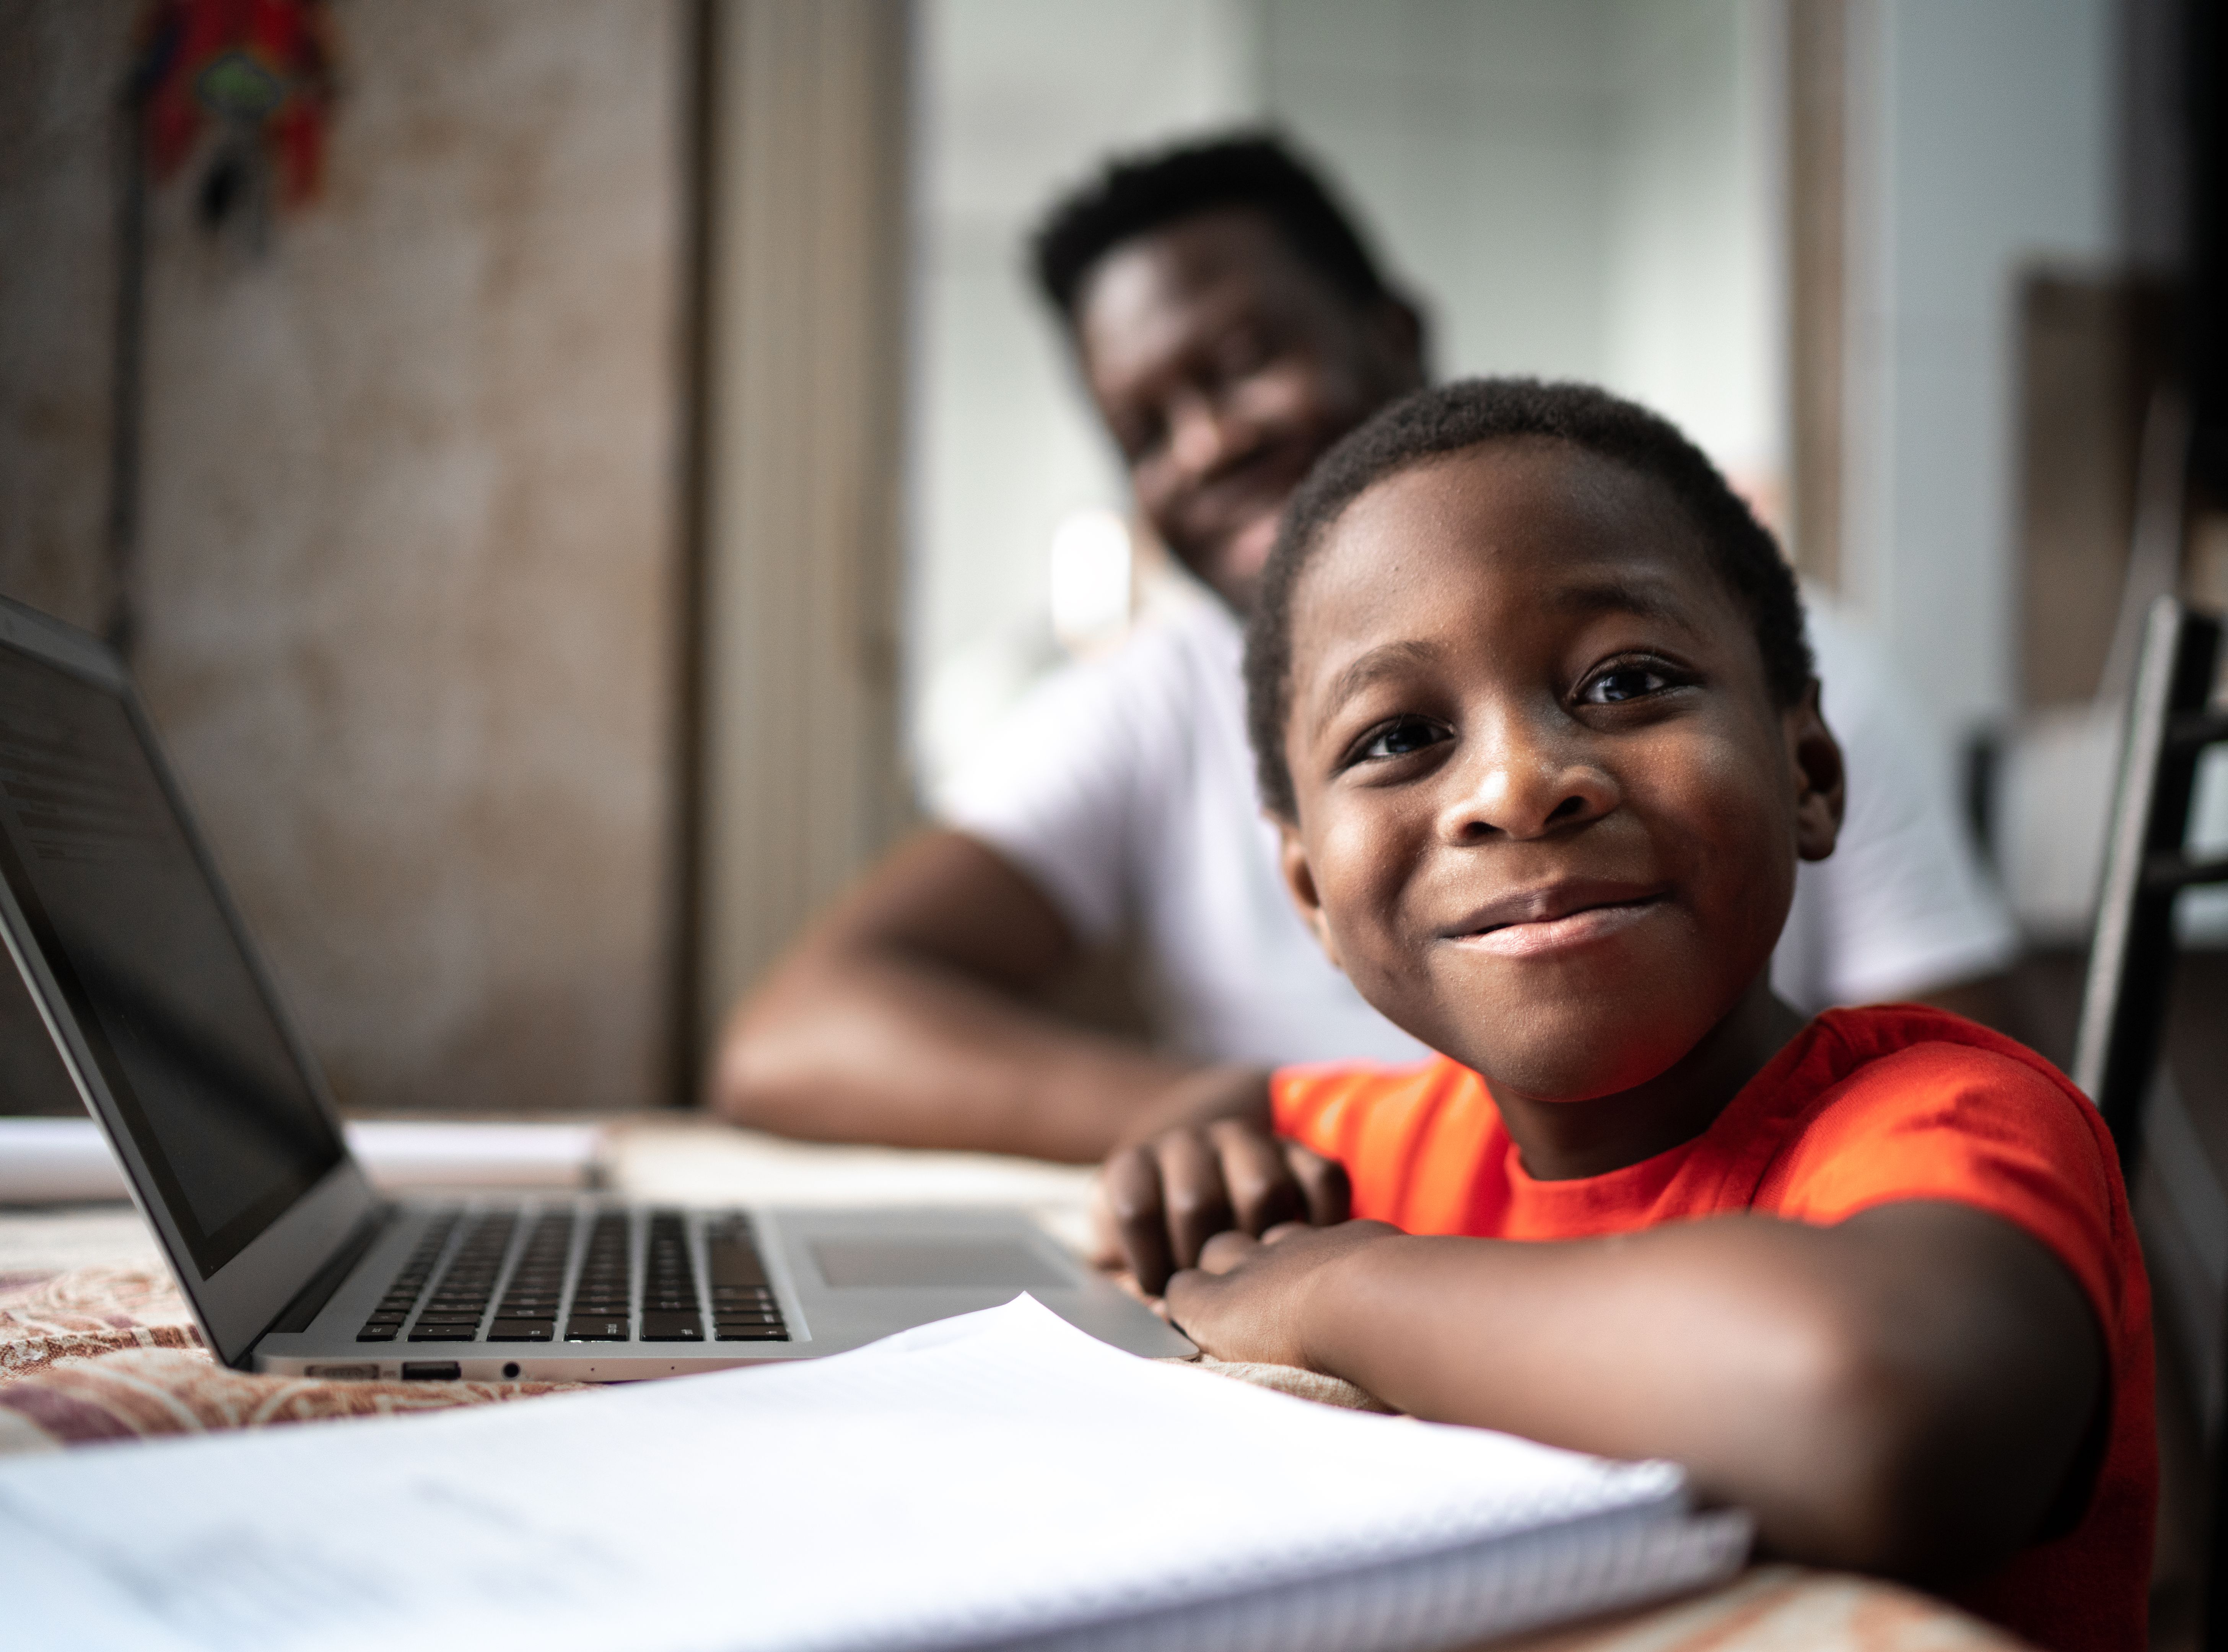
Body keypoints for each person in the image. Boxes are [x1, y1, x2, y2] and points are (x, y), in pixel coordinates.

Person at [711, 135, 2018, 1163]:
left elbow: (1975, 1112)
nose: (1207, 445)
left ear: (1392, 334)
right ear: (1305, 881)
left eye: (1244, 362)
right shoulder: (1152, 701)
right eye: (1146, 428)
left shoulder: (1765, 660)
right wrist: (1262, 1128)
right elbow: (797, 1033)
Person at [1112, 380, 2150, 1652]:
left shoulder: (1949, 1118)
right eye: (1400, 737)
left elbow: (1875, 1411)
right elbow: (1244, 1104)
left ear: (1810, 775)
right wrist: (1187, 1150)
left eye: (1627, 681)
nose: (1516, 786)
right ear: (1312, 896)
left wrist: (1343, 1292)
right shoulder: (1411, 1141)